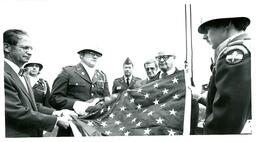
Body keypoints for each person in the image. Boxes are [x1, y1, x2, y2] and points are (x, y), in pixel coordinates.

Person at [4, 29, 74, 137]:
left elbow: (31, 105)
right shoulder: (4, 74)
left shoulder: (23, 75)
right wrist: (56, 120)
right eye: (25, 48)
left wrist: (56, 112)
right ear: (7, 47)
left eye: (31, 48)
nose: (30, 52)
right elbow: (16, 112)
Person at [196, 16, 251, 134]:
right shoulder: (246, 47)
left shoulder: (235, 54)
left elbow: (228, 112)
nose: (206, 35)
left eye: (208, 29)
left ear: (227, 24)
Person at [50, 47, 111, 136]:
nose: (95, 57)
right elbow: (54, 98)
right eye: (91, 53)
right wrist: (76, 104)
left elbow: (106, 100)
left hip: (95, 126)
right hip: (72, 125)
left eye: (97, 55)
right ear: (81, 55)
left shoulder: (102, 75)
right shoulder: (68, 72)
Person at [155, 51, 199, 134]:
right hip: (158, 131)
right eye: (158, 58)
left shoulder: (184, 78)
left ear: (174, 58)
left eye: (165, 57)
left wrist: (190, 132)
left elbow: (193, 106)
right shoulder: (153, 81)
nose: (161, 60)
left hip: (177, 130)